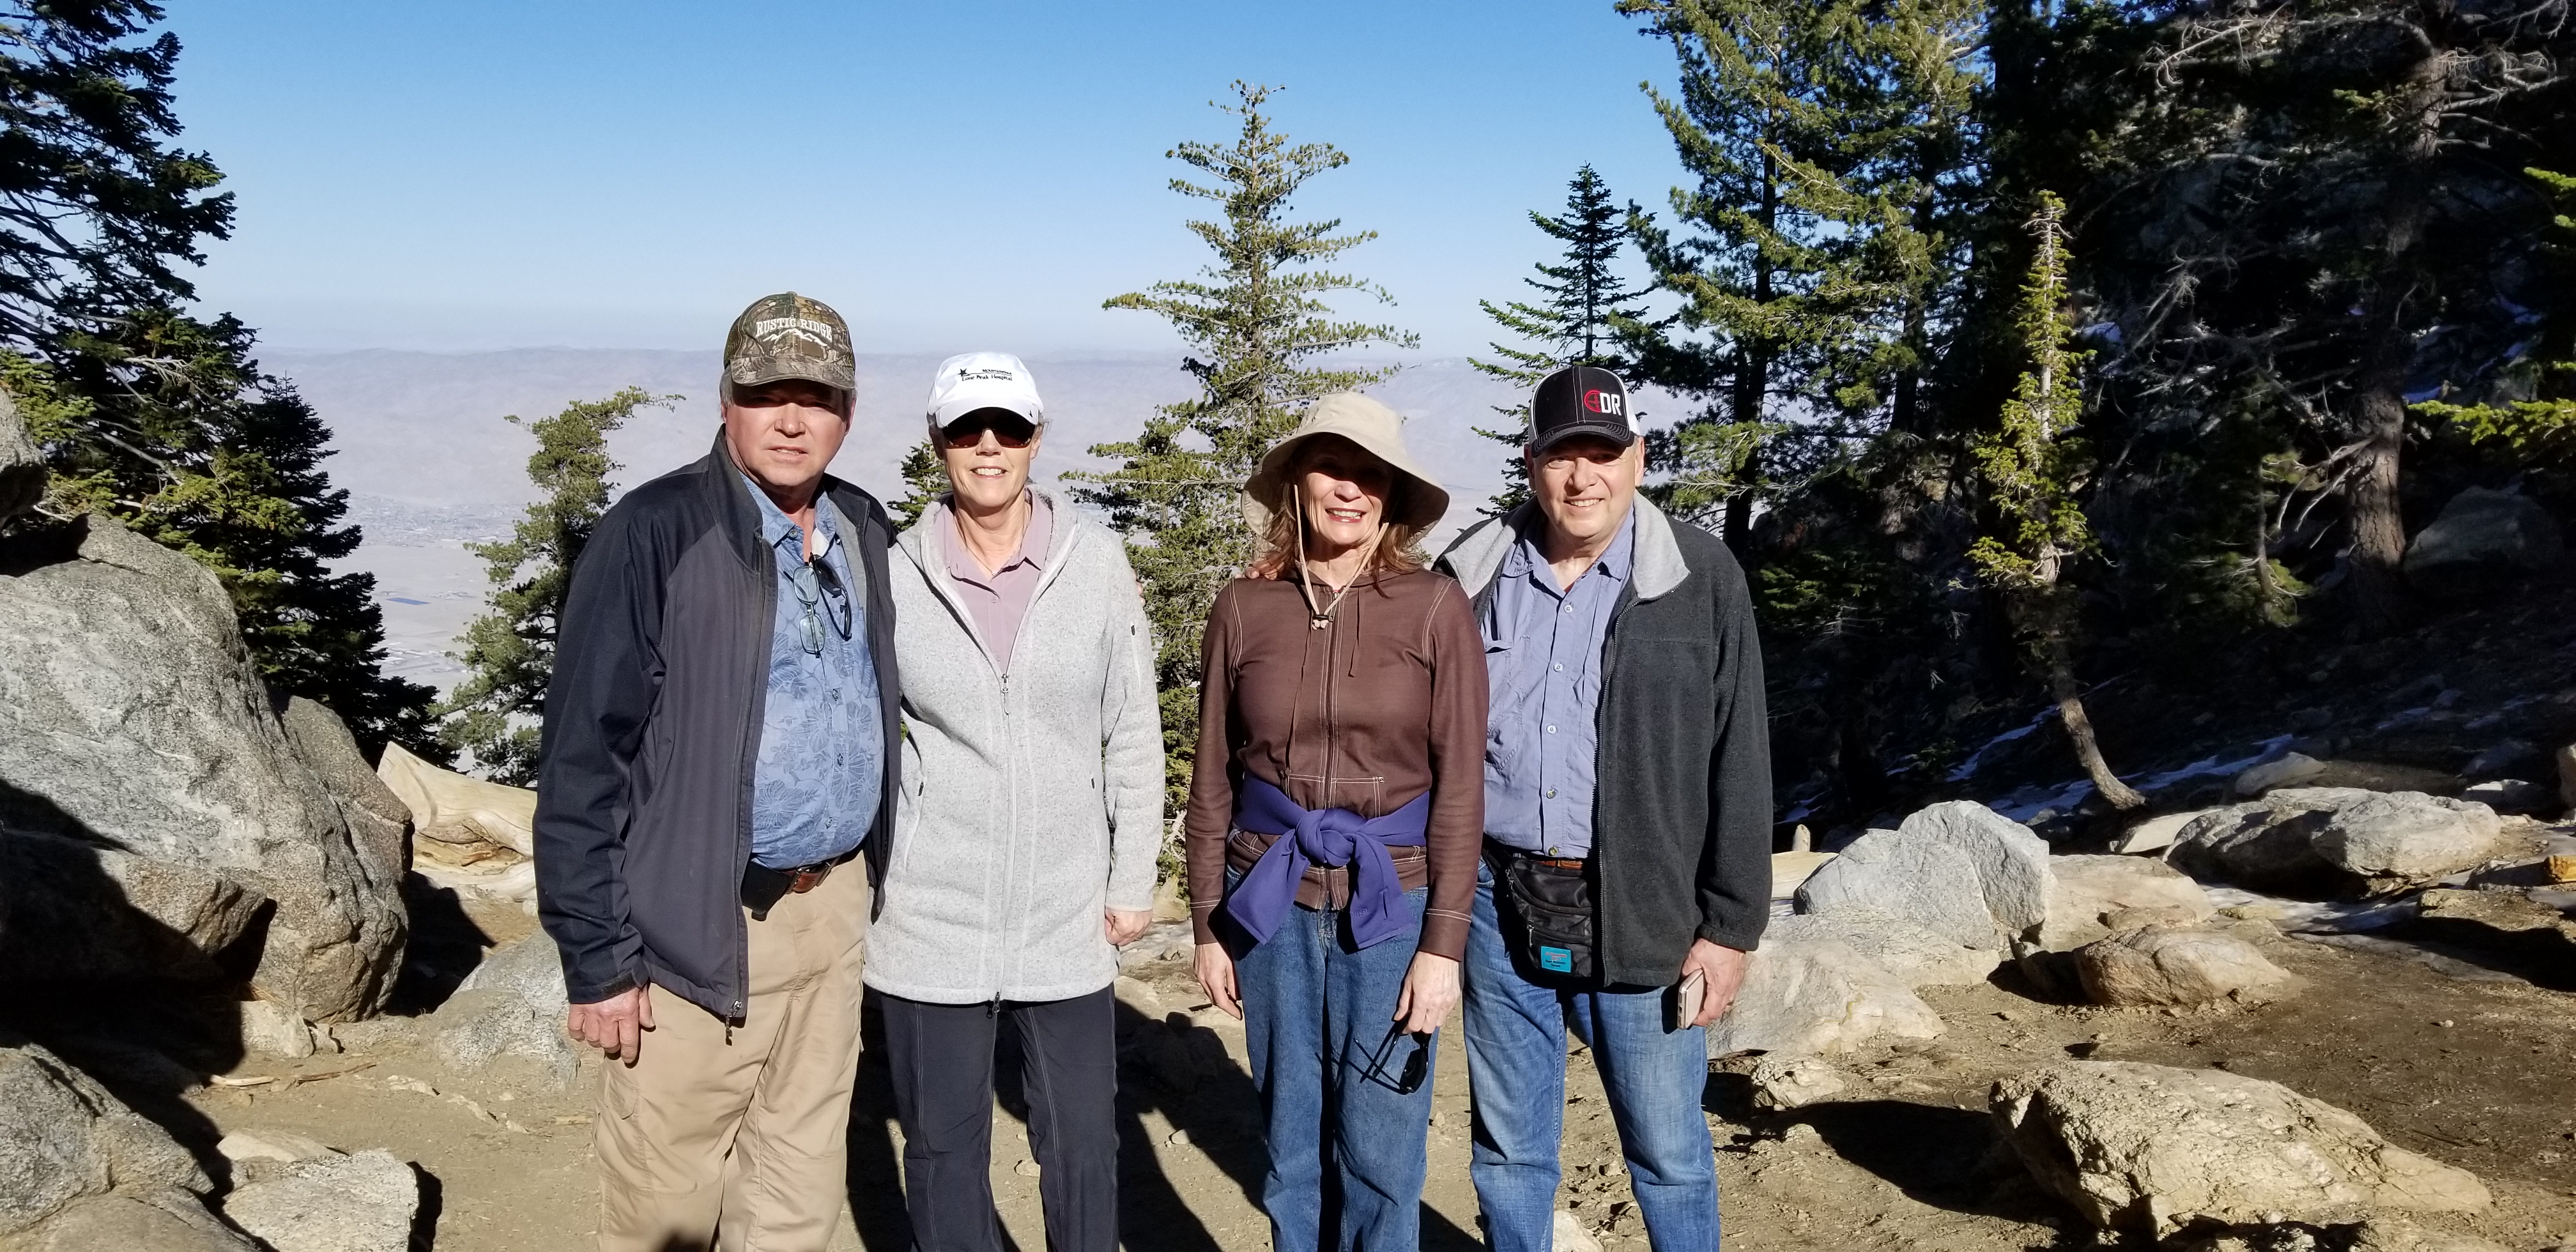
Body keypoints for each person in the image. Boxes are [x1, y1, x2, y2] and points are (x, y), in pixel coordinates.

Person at [534, 292, 899, 1252]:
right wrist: (598, 958)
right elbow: (582, 758)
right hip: (694, 927)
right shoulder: (655, 532)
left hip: (831, 915)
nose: (791, 418)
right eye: (765, 393)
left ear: (848, 413)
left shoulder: (864, 528)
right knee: (667, 1207)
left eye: (815, 397)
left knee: (798, 1193)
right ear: (725, 401)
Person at [1434, 365, 1771, 1252]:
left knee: (1667, 1150)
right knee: (1510, 1151)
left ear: (1639, 458)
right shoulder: (1471, 571)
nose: (1583, 477)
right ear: (1530, 462)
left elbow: (1741, 752)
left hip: (1646, 906)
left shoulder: (1698, 576)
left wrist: (1732, 927)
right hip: (1497, 903)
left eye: (1604, 454)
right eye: (1561, 456)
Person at [864, 352, 1163, 1252]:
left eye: (1008, 428)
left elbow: (1134, 730)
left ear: (1037, 440)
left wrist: (1130, 877)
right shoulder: (894, 571)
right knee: (944, 1149)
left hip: (1068, 908)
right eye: (966, 429)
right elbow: (864, 736)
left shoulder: (1098, 563)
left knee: (1081, 1145)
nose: (987, 446)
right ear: (937, 443)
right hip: (930, 915)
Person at [1188, 392, 1487, 1252]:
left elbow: (1461, 790)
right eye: (1331, 467)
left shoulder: (1435, 609)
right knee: (1288, 1145)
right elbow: (1214, 772)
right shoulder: (1244, 609)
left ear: (1391, 493)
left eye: (1368, 472)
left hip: (1389, 908)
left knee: (1382, 1150)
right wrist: (1209, 922)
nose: (1348, 488)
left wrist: (1443, 947)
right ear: (1298, 484)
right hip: (1268, 901)